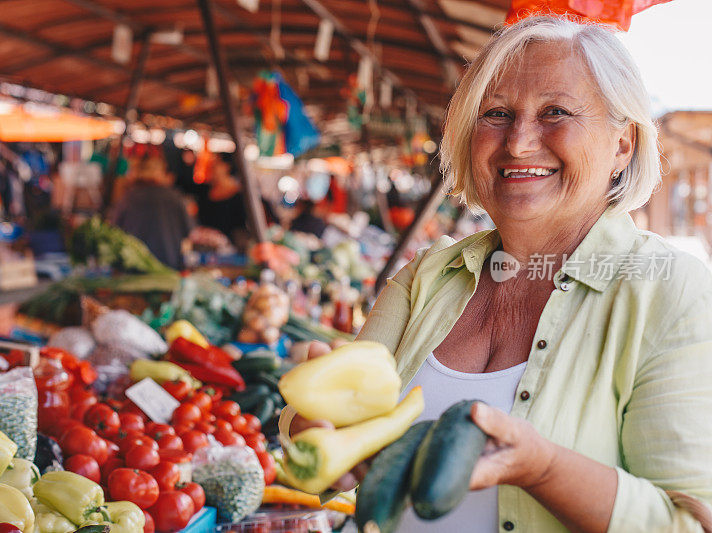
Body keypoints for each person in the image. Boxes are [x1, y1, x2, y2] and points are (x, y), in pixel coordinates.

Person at [281, 16, 712, 533]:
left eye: (555, 112)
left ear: (623, 144)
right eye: (496, 114)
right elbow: (325, 441)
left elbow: (690, 523)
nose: (518, 143)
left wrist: (543, 468)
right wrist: (310, 426)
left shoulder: (670, 290)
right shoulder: (429, 276)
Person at [111, 153, 193, 270]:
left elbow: (114, 231)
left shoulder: (128, 198)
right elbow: (188, 232)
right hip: (168, 267)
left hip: (134, 268)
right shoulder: (175, 197)